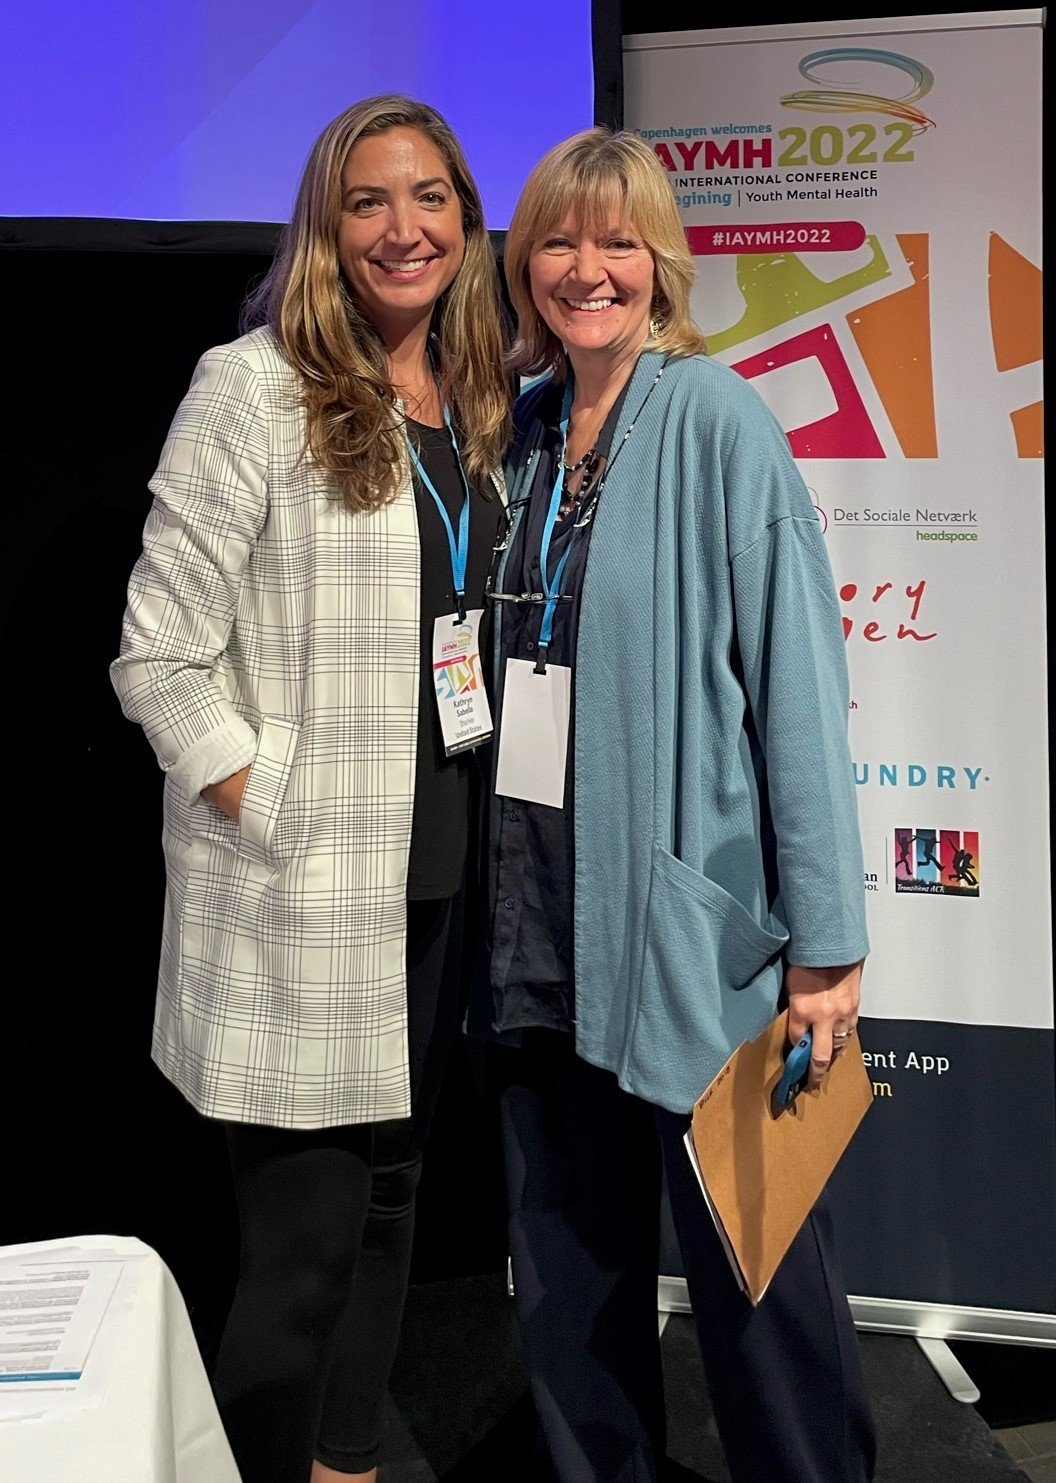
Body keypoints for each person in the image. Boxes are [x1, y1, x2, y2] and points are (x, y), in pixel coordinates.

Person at [110, 95, 510, 1483]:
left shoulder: (474, 397)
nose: (405, 228)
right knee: (297, 1261)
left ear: (467, 216)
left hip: (440, 880)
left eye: (431, 198)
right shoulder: (252, 387)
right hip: (303, 889)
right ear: (324, 230)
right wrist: (269, 803)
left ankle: (345, 1466)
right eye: (369, 201)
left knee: (396, 1210)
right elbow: (157, 659)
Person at [475, 127, 876, 1482]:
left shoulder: (717, 418)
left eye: (618, 241)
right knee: (572, 1300)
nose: (587, 269)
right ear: (524, 261)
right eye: (560, 241)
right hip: (540, 939)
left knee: (765, 1307)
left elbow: (800, 691)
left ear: (662, 263)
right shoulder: (522, 436)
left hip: (695, 951)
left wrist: (827, 949)